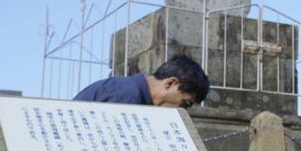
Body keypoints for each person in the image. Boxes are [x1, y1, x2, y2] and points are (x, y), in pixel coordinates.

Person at [74, 54, 209, 107]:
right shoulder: (128, 95)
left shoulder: (127, 89)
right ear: (170, 83)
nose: (181, 110)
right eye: (185, 103)